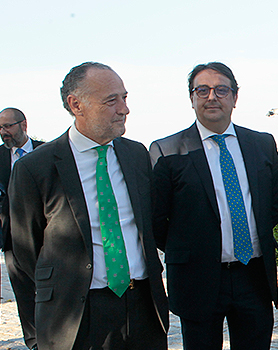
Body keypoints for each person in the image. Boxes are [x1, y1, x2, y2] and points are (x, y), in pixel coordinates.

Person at [10, 62, 169, 350]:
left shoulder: (136, 154)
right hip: (78, 316)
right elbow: (26, 252)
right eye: (111, 100)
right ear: (76, 105)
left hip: (143, 308)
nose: (124, 109)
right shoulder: (35, 168)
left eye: (124, 97)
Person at [150, 62, 278, 349]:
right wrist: (190, 249)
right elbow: (157, 221)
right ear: (192, 98)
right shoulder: (167, 151)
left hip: (254, 276)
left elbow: (273, 205)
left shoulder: (261, 143)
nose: (212, 97)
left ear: (235, 97)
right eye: (202, 90)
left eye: (221, 90)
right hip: (197, 278)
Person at [0, 107, 44, 349]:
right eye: (0, 128)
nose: (3, 132)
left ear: (23, 124)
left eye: (8, 126)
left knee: (50, 289)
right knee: (24, 292)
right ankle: (35, 342)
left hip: (49, 236)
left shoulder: (46, 151)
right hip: (12, 238)